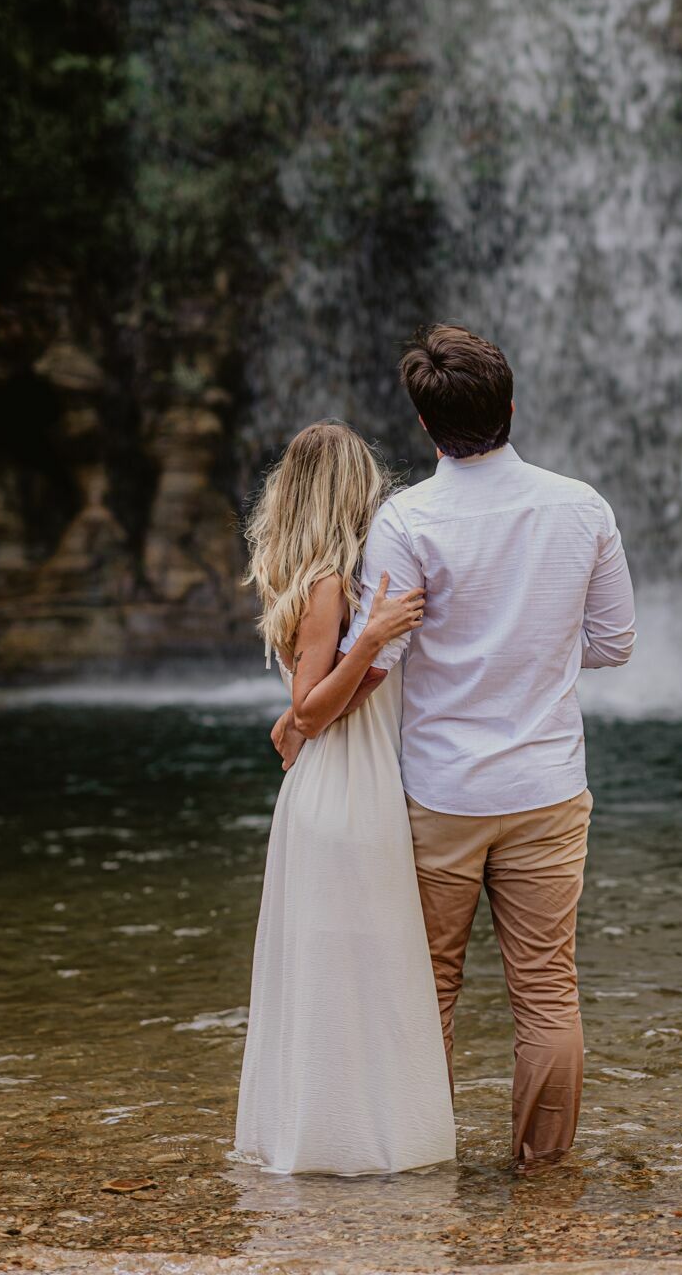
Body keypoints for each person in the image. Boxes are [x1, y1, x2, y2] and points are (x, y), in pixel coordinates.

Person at [271, 323, 636, 1168]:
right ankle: (543, 1175)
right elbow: (614, 642)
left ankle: (424, 1162)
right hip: (547, 787)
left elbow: (379, 660)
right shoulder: (582, 506)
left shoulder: (408, 519)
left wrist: (301, 715)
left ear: (428, 430)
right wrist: (537, 650)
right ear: (511, 406)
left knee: (426, 987)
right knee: (547, 991)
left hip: (439, 795)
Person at [235, 421, 456, 1175]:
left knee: (356, 970)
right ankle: (342, 1145)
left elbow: (309, 705)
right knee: (349, 971)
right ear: (350, 490)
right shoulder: (330, 583)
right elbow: (307, 710)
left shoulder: (337, 579)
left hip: (346, 790)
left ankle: (350, 1135)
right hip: (343, 799)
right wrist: (372, 642)